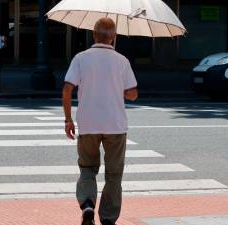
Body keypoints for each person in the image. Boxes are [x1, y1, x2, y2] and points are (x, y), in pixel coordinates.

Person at [62, 18, 138, 225]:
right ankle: (108, 218)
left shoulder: (81, 58)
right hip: (115, 125)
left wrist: (68, 120)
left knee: (87, 168)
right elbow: (132, 94)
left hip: (88, 124)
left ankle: (87, 204)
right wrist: (119, 87)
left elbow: (67, 88)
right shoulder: (122, 61)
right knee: (114, 174)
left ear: (94, 35)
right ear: (113, 37)